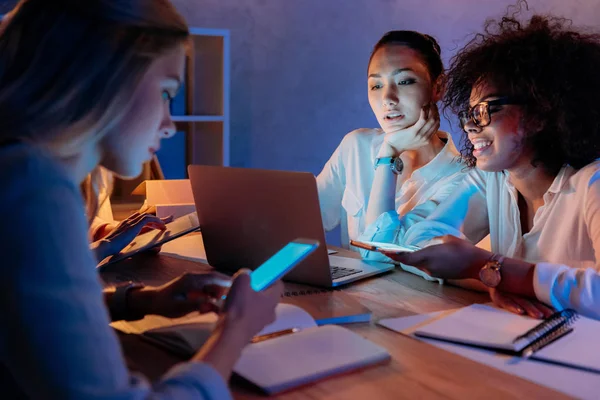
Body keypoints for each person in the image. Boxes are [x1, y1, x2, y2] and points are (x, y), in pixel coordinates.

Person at [0, 1, 281, 398]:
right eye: (167, 93)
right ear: (104, 74)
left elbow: (26, 316)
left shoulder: (18, 170)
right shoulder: (33, 190)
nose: (169, 125)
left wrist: (142, 300)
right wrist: (235, 330)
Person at [385, 7, 600, 320]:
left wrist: (488, 267)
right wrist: (491, 279)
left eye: (485, 111)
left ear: (540, 112)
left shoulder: (592, 183)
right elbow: (416, 242)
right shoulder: (493, 180)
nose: (471, 127)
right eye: (469, 114)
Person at [316, 30, 467, 271]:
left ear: (438, 87)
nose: (387, 98)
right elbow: (303, 221)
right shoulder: (355, 146)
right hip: (351, 297)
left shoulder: (462, 178)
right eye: (376, 85)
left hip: (416, 304)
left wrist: (389, 154)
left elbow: (380, 252)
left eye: (404, 81)